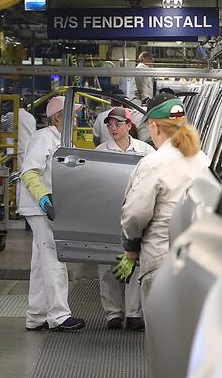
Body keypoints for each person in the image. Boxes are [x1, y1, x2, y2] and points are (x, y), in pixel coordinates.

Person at [113, 93, 208, 306]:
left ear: (155, 127)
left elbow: (135, 214)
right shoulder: (204, 160)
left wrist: (130, 249)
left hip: (161, 262)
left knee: (161, 326)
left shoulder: (153, 163)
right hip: (198, 261)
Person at [19, 96, 86, 332]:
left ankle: (36, 316)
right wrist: (44, 200)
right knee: (53, 259)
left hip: (50, 207)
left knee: (41, 262)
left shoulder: (63, 140)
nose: (76, 118)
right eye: (72, 114)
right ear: (59, 117)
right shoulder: (44, 137)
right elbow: (29, 172)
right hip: (41, 208)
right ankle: (59, 315)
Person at [95, 108, 155, 330]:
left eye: (118, 124)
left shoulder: (145, 151)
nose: (113, 128)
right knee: (106, 264)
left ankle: (133, 313)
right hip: (106, 213)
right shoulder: (101, 151)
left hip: (135, 212)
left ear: (129, 126)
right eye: (110, 124)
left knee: (135, 261)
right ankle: (113, 314)